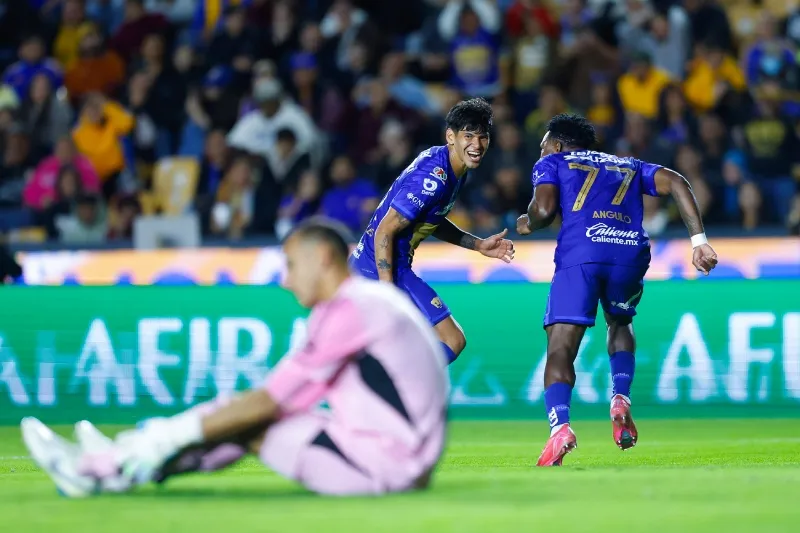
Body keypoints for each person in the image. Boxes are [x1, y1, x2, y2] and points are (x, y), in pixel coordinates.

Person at [21, 217, 450, 497]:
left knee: (247, 418)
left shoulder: (350, 309)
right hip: (399, 460)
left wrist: (168, 438)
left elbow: (269, 402)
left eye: (290, 265)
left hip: (387, 468)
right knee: (241, 416)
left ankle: (111, 465)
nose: (285, 281)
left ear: (322, 258)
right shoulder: (363, 302)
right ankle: (120, 461)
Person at [515, 113, 718, 466]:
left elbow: (544, 211)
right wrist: (699, 241)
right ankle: (620, 396)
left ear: (557, 145)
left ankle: (560, 428)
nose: (542, 150)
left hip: (583, 253)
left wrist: (527, 222)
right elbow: (677, 182)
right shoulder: (628, 164)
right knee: (620, 322)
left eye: (544, 145)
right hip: (630, 253)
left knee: (561, 344)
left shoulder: (552, 162)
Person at [350, 98, 515, 365]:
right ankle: (401, 383)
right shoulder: (434, 179)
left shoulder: (449, 164)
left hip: (377, 267)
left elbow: (430, 219)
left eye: (482, 137)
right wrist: (387, 293)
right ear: (451, 136)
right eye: (468, 136)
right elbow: (384, 231)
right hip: (382, 270)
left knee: (399, 347)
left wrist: (478, 245)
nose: (476, 145)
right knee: (452, 340)